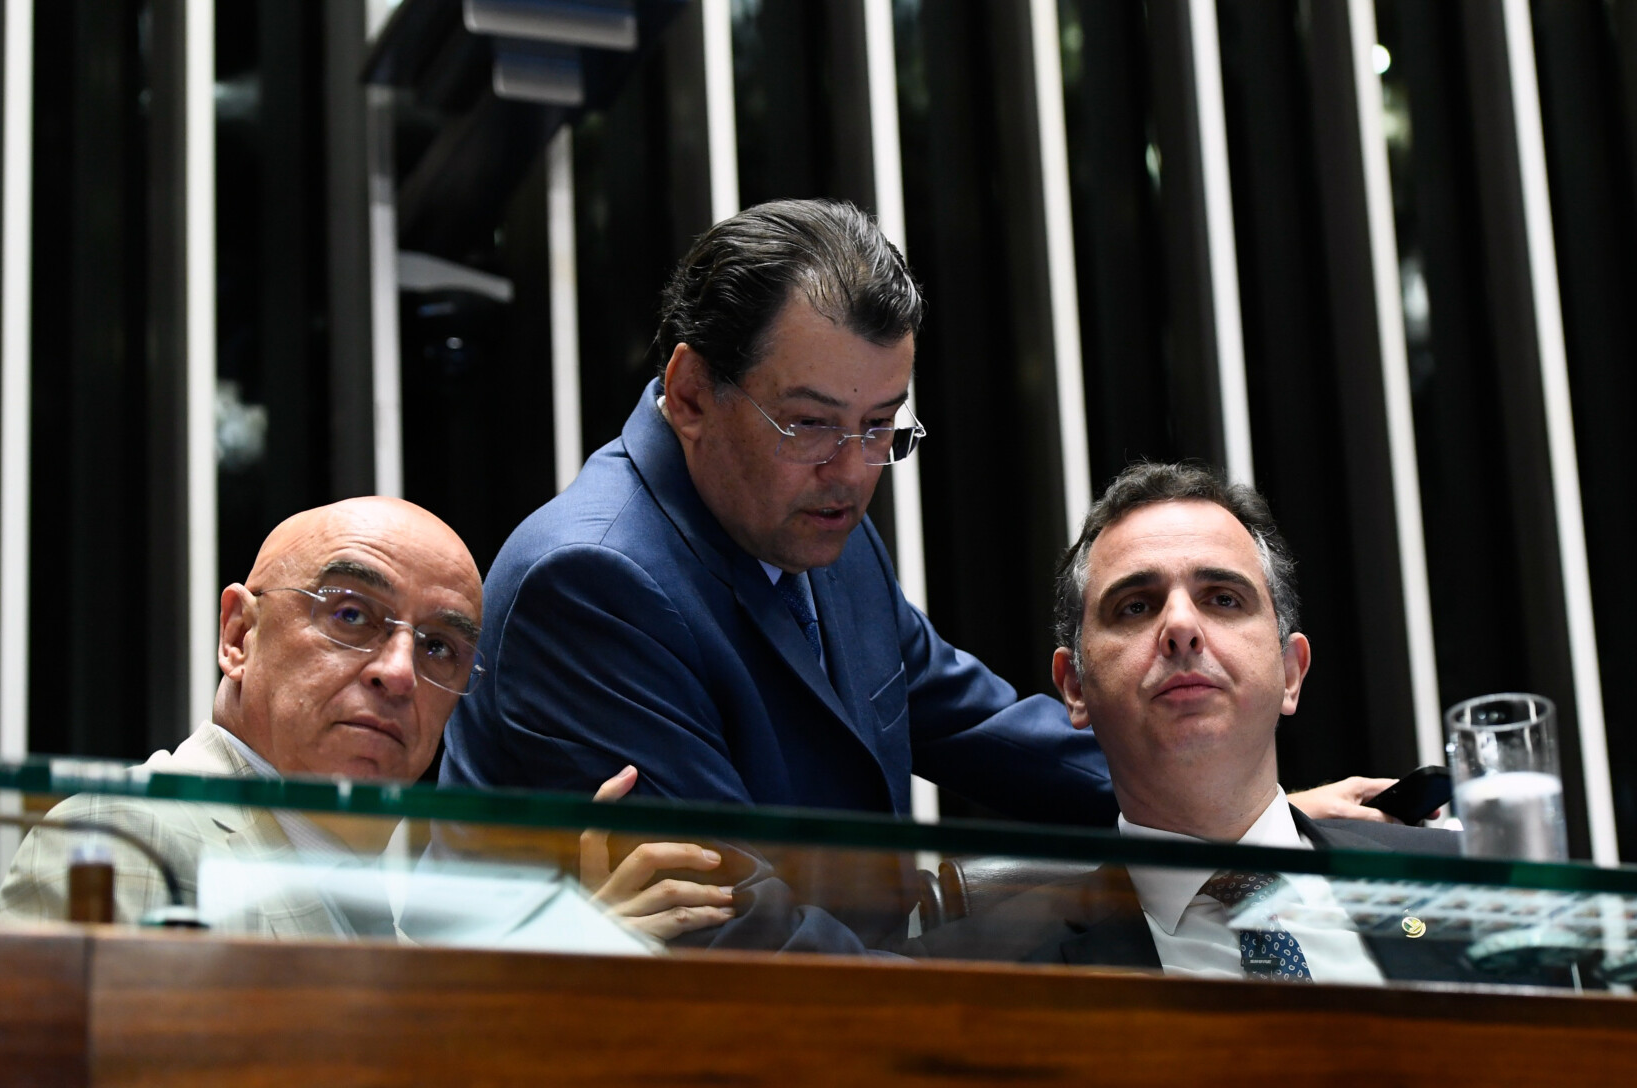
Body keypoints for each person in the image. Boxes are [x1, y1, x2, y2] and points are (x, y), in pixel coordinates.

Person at [439, 198, 1399, 948]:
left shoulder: (805, 501)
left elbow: (960, 713)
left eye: (881, 428)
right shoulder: (594, 581)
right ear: (691, 395)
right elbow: (733, 920)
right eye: (810, 423)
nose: (856, 470)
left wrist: (1224, 806)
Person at [0, 498, 722, 944]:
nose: (400, 672)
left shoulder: (379, 893)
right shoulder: (122, 836)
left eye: (439, 646)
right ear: (239, 636)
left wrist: (559, 950)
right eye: (350, 615)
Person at [916, 462, 1458, 979]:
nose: (1180, 626)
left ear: (1290, 673)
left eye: (1222, 599)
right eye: (1135, 606)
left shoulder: (1469, 883)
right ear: (1074, 689)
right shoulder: (978, 975)